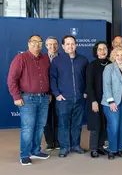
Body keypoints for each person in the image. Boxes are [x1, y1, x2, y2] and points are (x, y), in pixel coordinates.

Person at [7, 35, 51, 166]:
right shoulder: (20, 58)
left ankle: (35, 150)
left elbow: (47, 77)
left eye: (39, 42)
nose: (37, 44)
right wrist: (16, 97)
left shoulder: (45, 58)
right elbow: (11, 79)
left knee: (40, 126)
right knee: (28, 127)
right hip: (27, 98)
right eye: (34, 42)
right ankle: (25, 154)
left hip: (43, 98)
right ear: (29, 43)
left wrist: (49, 93)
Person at [50, 35, 89, 158]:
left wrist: (86, 91)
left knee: (77, 124)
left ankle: (75, 145)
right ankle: (64, 147)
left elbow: (87, 78)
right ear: (63, 46)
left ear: (76, 45)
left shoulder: (83, 60)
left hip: (79, 98)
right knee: (63, 124)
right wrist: (57, 94)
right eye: (67, 44)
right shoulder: (57, 60)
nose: (70, 46)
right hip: (63, 99)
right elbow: (52, 78)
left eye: (72, 43)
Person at [102, 47, 122, 160]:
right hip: (111, 103)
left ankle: (119, 149)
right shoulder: (109, 68)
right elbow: (106, 86)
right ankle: (112, 150)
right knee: (113, 127)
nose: (120, 57)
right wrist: (111, 101)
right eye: (117, 55)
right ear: (113, 56)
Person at [86, 41, 110, 158]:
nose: (102, 51)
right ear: (96, 51)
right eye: (100, 49)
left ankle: (100, 147)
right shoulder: (92, 65)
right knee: (96, 125)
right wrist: (93, 101)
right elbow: (89, 85)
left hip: (108, 100)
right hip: (96, 100)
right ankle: (94, 148)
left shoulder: (111, 64)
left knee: (104, 124)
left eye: (104, 49)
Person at [44, 36, 60, 151]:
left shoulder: (63, 58)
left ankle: (58, 141)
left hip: (60, 93)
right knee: (47, 118)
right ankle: (50, 142)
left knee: (59, 118)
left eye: (54, 44)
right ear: (46, 46)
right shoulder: (42, 58)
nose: (52, 46)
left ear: (58, 46)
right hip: (46, 93)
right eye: (50, 44)